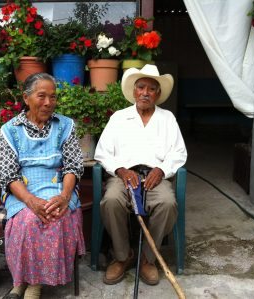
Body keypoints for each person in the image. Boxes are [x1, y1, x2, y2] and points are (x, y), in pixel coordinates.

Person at [94, 64, 187, 286]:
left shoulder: (167, 119)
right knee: (111, 201)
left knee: (166, 202)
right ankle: (123, 256)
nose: (145, 92)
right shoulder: (119, 117)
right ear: (134, 91)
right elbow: (102, 152)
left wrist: (162, 169)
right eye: (141, 87)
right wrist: (121, 170)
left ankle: (148, 258)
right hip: (123, 175)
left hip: (155, 176)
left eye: (151, 89)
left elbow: (179, 152)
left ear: (158, 94)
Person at [0, 73, 85, 299]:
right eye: (42, 96)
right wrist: (31, 201)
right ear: (26, 98)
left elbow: (73, 167)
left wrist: (65, 197)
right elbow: (8, 175)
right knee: (27, 220)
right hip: (22, 190)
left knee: (55, 215)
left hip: (58, 188)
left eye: (53, 97)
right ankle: (21, 281)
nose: (48, 103)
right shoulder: (10, 130)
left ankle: (34, 286)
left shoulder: (65, 125)